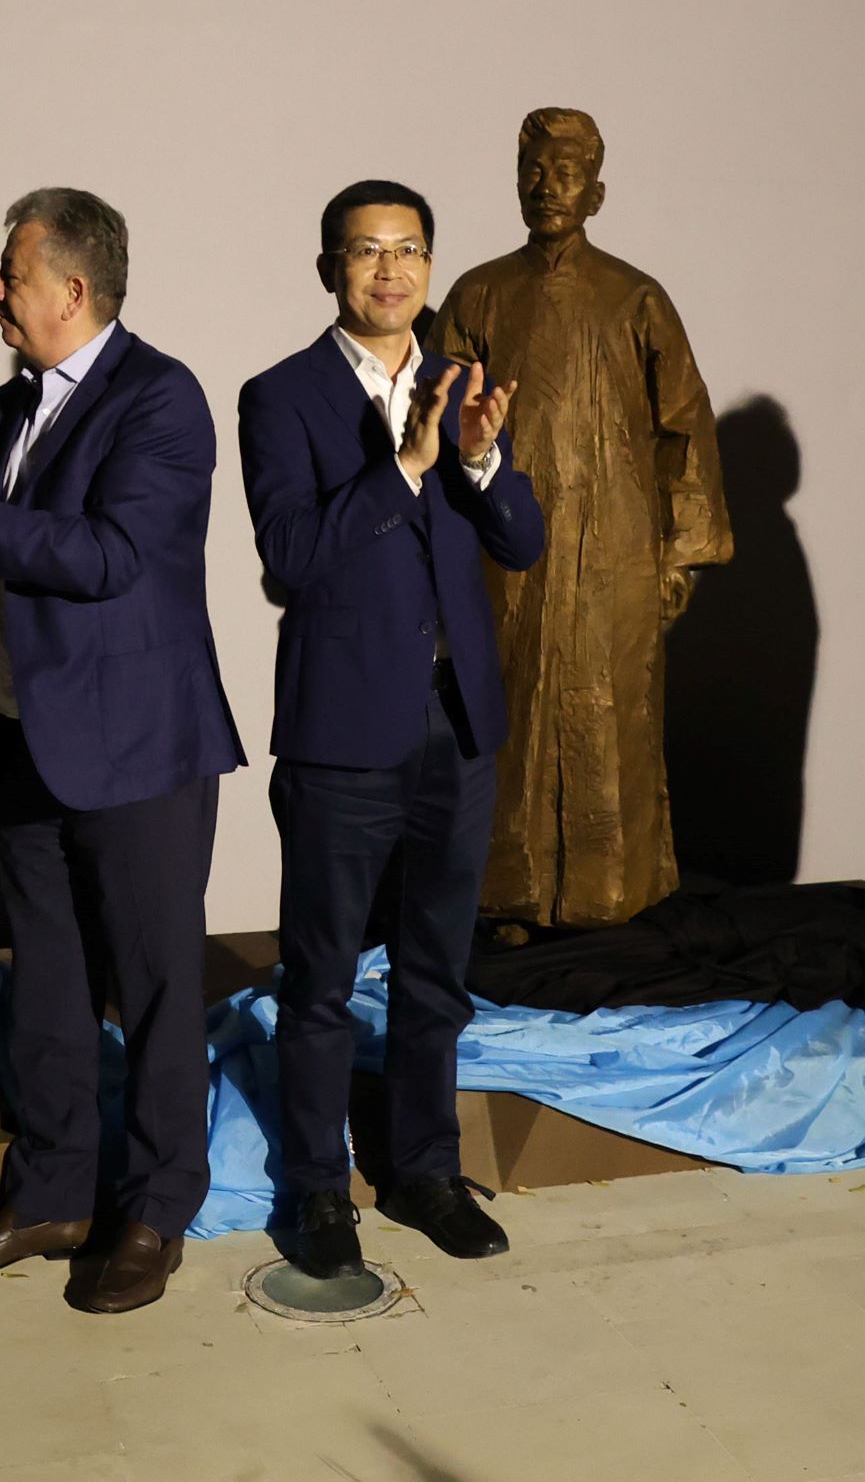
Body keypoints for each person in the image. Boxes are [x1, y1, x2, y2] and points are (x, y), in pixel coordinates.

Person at [0, 188, 242, 1314]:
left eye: (10, 275)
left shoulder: (162, 398)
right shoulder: (11, 400)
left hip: (141, 749)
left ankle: (158, 1211)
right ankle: (53, 1196)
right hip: (29, 736)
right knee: (49, 987)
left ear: (72, 290)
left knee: (157, 988)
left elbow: (113, 556)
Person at [238, 180, 545, 1282]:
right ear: (330, 268)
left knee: (435, 970)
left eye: (407, 250)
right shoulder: (280, 396)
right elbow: (290, 558)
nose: (389, 270)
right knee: (321, 976)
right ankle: (318, 1187)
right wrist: (406, 465)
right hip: (342, 725)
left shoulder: (464, 386)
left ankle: (424, 1170)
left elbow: (521, 543)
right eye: (366, 251)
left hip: (457, 723)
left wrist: (477, 459)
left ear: (429, 265)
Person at [428, 107, 732, 932]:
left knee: (611, 718)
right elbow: (435, 425)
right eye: (534, 171)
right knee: (510, 719)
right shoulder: (479, 294)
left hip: (619, 553)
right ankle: (504, 895)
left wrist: (680, 557)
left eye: (565, 173)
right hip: (507, 551)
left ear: (596, 192)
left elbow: (685, 429)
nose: (547, 186)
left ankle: (614, 895)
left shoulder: (636, 297)